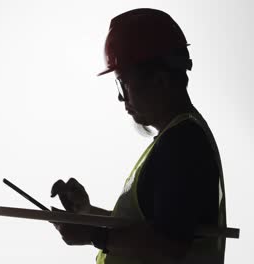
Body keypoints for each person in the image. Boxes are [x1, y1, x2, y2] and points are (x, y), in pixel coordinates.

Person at [50, 8, 227, 264]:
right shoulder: (180, 139)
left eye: (123, 83)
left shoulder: (182, 144)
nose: (121, 97)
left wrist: (94, 233)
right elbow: (158, 229)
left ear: (160, 81)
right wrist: (87, 215)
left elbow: (168, 244)